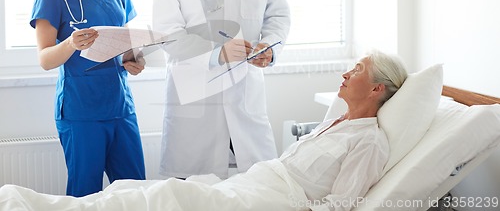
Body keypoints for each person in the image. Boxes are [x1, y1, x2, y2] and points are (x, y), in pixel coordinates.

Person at [0, 50, 408, 211]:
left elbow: (343, 204)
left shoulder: (368, 141)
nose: (345, 72)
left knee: (166, 195)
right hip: (255, 182)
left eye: (356, 70)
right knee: (133, 190)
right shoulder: (336, 121)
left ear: (376, 89)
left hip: (274, 201)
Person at [152, 0, 291, 179]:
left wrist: (269, 48)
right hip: (196, 99)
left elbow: (277, 14)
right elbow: (168, 34)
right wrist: (217, 54)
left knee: (259, 186)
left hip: (245, 93)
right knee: (194, 193)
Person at [29, 0, 146, 197]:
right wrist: (70, 43)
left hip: (120, 106)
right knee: (85, 196)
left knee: (136, 193)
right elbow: (44, 59)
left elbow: (124, 41)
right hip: (81, 111)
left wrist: (135, 59)